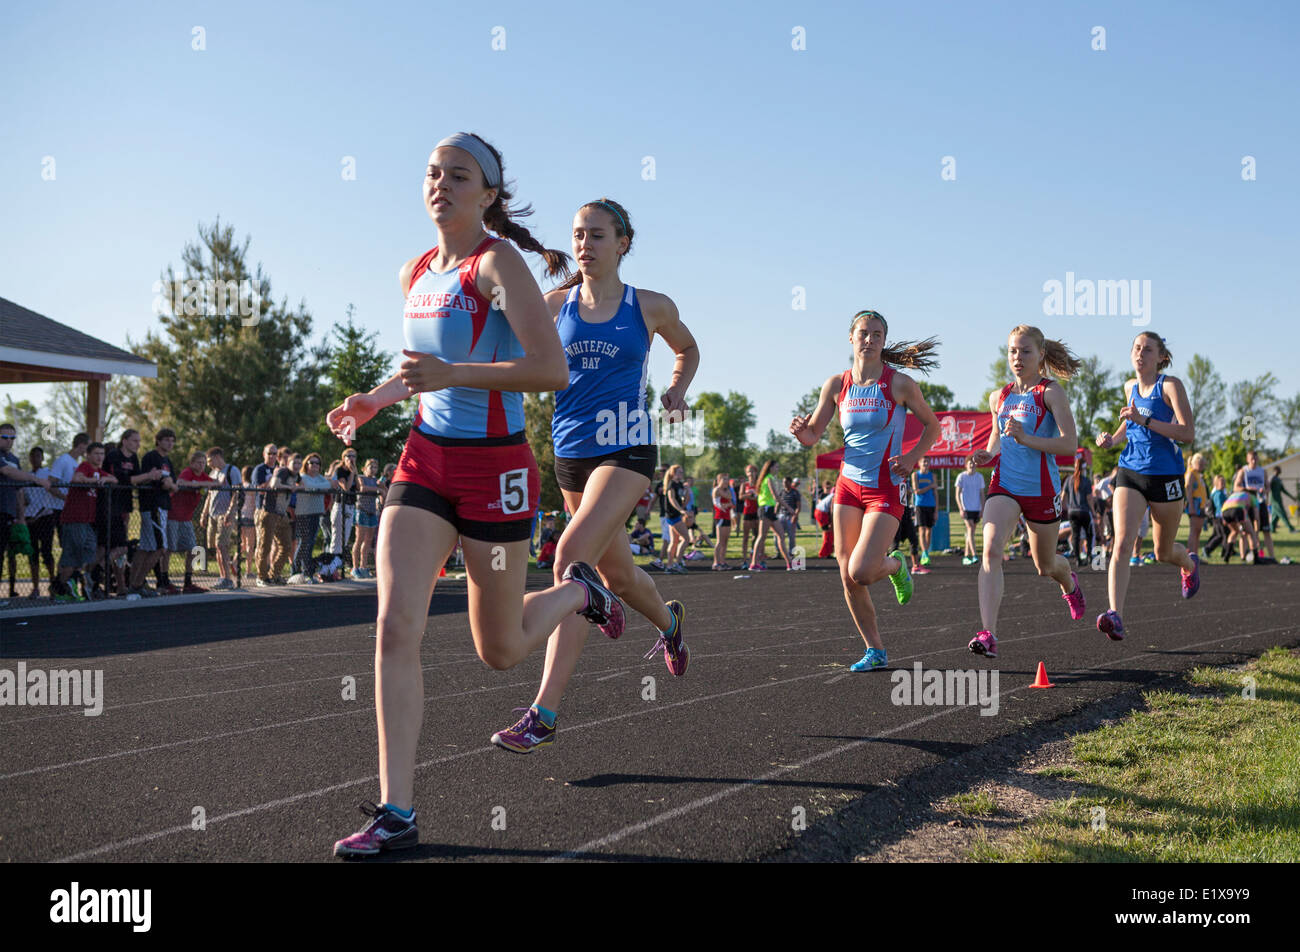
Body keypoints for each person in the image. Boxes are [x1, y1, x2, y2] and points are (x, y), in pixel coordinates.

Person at [328, 133, 626, 857]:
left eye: (458, 175)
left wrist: (455, 373)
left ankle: (576, 595)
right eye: (433, 173)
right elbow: (421, 371)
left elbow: (549, 369)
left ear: (489, 193)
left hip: (496, 471)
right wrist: (376, 398)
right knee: (396, 625)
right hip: (424, 463)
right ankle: (398, 811)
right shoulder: (416, 272)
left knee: (499, 651)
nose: (441, 184)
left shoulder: (497, 265)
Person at [790, 309, 941, 670]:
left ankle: (896, 565)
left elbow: (932, 427)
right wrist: (801, 433)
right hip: (847, 486)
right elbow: (813, 435)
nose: (869, 339)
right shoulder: (836, 385)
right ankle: (875, 650)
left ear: (883, 341)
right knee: (847, 575)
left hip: (886, 487)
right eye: (863, 333)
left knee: (861, 570)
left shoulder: (899, 384)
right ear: (851, 338)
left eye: (876, 334)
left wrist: (912, 457)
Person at [966, 326, 1085, 659]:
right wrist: (988, 455)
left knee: (1045, 565)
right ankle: (988, 633)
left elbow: (1069, 444)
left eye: (1025, 351)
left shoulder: (1051, 393)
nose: (1017, 358)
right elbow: (996, 440)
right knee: (990, 550)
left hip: (1040, 489)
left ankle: (1070, 584)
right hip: (1005, 485)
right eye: (1012, 351)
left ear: (1040, 355)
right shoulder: (998, 397)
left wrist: (1026, 438)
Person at [1094, 332, 1200, 639]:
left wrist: (1146, 421)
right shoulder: (1130, 386)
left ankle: (1188, 565)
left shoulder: (1170, 385)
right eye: (1137, 348)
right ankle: (1115, 615)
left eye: (1148, 349)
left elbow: (1187, 432)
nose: (1141, 353)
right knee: (1122, 542)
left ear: (1160, 356)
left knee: (1162, 551)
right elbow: (1129, 421)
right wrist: (1112, 439)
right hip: (1131, 471)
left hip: (1166, 477)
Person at [54, 442, 117, 602]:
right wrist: (94, 481)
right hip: (74, 518)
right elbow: (77, 478)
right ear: (88, 455)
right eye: (96, 453)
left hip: (87, 521)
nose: (99, 457)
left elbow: (114, 479)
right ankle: (60, 588)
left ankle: (72, 582)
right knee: (73, 556)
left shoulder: (98, 471)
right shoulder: (84, 466)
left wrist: (105, 478)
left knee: (89, 549)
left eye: (102, 454)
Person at [128, 429, 178, 597]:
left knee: (145, 548)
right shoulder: (151, 457)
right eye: (166, 440)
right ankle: (136, 584)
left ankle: (135, 584)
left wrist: (169, 484)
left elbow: (174, 485)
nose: (169, 443)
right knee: (160, 549)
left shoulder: (167, 460)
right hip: (153, 506)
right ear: (158, 441)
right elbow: (156, 481)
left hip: (162, 507)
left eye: (172, 440)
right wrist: (166, 483)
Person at [169, 450, 215, 593]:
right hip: (173, 516)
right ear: (192, 463)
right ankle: (164, 580)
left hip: (186, 518)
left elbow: (217, 482)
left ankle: (188, 582)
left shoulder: (202, 475)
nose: (202, 466)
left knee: (193, 549)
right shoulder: (187, 472)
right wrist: (197, 484)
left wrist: (201, 483)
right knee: (168, 549)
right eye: (199, 463)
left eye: (203, 463)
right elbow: (181, 482)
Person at [290, 453, 332, 583]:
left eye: (317, 463)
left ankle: (306, 572)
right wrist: (317, 488)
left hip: (316, 514)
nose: (314, 465)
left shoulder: (320, 478)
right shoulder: (302, 477)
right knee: (304, 543)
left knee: (311, 543)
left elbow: (328, 486)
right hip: (303, 514)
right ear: (306, 464)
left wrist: (316, 488)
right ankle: (297, 571)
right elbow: (307, 485)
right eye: (311, 462)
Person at [22, 447, 57, 598]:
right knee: (33, 553)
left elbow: (50, 496)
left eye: (38, 456)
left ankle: (53, 585)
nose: (35, 459)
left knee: (47, 552)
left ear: (42, 458)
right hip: (30, 519)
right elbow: (24, 499)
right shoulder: (27, 476)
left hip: (45, 516)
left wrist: (39, 514)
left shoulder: (47, 474)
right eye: (33, 456)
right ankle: (35, 587)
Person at [204, 448, 241, 589]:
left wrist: (230, 512)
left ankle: (228, 579)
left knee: (222, 545)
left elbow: (236, 492)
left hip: (224, 513)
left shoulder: (232, 470)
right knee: (216, 547)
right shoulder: (213, 473)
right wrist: (204, 513)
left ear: (217, 457)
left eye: (209, 460)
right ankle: (222, 577)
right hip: (213, 514)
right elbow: (209, 495)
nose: (208, 464)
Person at [1238, 450, 1276, 563]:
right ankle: (1243, 557)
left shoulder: (1262, 471)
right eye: (1251, 459)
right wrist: (1249, 489)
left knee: (1266, 531)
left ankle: (1272, 557)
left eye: (1255, 459)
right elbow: (1236, 487)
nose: (1254, 461)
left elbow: (1268, 487)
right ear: (1247, 460)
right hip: (1247, 504)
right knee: (1246, 531)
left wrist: (1265, 490)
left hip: (1260, 502)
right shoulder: (1243, 471)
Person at [1059, 461, 1093, 568]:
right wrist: (1093, 511)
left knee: (1075, 535)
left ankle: (1077, 558)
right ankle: (1088, 556)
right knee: (1089, 534)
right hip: (1084, 511)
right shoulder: (1086, 481)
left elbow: (1063, 496)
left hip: (1072, 511)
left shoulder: (1069, 480)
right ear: (1084, 468)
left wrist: (1064, 507)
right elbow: (1089, 498)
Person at [352, 458, 382, 578]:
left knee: (368, 541)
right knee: (359, 539)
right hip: (362, 510)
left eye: (375, 467)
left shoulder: (376, 481)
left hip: (372, 512)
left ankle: (363, 566)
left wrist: (382, 488)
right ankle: (355, 567)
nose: (373, 469)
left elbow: (383, 492)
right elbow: (363, 488)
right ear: (364, 468)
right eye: (371, 467)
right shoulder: (361, 477)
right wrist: (377, 489)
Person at [955, 457, 984, 565]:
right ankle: (974, 555)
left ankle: (966, 556)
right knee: (970, 529)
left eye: (973, 463)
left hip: (976, 508)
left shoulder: (979, 477)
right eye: (970, 463)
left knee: (970, 533)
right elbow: (957, 494)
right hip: (966, 508)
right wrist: (961, 508)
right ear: (966, 465)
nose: (972, 465)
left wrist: (982, 508)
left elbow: (982, 494)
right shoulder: (961, 477)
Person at [1183, 452, 1209, 557]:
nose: (1202, 465)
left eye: (1203, 463)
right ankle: (1190, 556)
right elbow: (1188, 489)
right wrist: (1191, 506)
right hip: (1195, 505)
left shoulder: (1198, 474)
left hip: (1201, 506)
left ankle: (1195, 556)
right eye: (1200, 463)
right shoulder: (1191, 473)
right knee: (1193, 532)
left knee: (1198, 531)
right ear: (1194, 463)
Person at [911, 457, 937, 565]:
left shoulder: (933, 476)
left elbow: (935, 494)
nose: (925, 463)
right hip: (920, 505)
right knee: (921, 529)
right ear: (919, 463)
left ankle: (926, 552)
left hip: (931, 505)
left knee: (929, 530)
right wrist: (930, 486)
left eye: (927, 462)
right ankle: (924, 553)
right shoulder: (915, 475)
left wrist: (936, 510)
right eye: (923, 462)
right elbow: (917, 491)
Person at [712, 471, 735, 569]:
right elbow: (728, 498)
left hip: (727, 516)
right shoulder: (716, 489)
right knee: (719, 541)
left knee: (725, 541)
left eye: (727, 479)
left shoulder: (727, 490)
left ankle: (722, 561)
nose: (727, 481)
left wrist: (727, 505)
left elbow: (731, 503)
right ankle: (716, 563)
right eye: (724, 479)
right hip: (720, 517)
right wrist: (727, 504)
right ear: (719, 480)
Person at [739, 463, 760, 562]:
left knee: (757, 535)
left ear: (756, 472)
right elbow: (740, 497)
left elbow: (761, 497)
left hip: (757, 512)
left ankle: (756, 556)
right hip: (747, 511)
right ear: (746, 474)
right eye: (749, 471)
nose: (751, 473)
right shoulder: (744, 484)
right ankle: (744, 560)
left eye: (753, 471)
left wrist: (756, 496)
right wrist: (749, 495)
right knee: (746, 537)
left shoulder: (759, 484)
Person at [1269, 466, 1295, 534]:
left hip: (1279, 499)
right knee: (1282, 514)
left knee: (1275, 516)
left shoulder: (1279, 479)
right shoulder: (1272, 478)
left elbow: (1283, 490)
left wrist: (1292, 497)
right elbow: (1268, 487)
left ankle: (1272, 529)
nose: (1280, 471)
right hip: (1274, 500)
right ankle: (1291, 528)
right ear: (1275, 470)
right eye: (1279, 469)